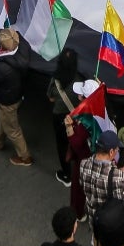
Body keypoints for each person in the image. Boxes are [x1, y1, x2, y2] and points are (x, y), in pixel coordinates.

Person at [79, 128, 124, 246]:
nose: (118, 152)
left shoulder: (83, 165)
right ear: (111, 152)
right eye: (117, 150)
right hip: (116, 228)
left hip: (97, 225)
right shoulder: (117, 177)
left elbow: (86, 183)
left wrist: (117, 170)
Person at [0, 26, 34, 166]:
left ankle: (25, 157)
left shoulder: (3, 67)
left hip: (7, 100)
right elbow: (18, 36)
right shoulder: (23, 48)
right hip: (17, 93)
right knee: (4, 119)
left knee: (13, 129)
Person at [47, 47, 83, 186]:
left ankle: (67, 175)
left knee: (62, 145)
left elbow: (50, 98)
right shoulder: (80, 80)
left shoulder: (55, 81)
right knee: (77, 142)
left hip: (60, 117)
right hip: (76, 117)